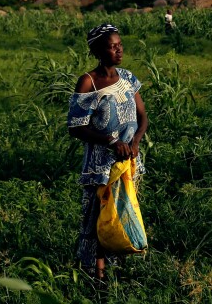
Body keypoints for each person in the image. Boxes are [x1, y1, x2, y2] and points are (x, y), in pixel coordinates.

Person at [67, 23, 149, 281]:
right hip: (101, 165)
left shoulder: (127, 77)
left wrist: (135, 142)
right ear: (98, 51)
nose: (118, 50)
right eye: (112, 47)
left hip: (127, 162)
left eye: (120, 45)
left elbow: (143, 116)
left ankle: (113, 267)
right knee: (99, 217)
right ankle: (96, 273)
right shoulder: (88, 82)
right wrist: (111, 142)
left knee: (121, 213)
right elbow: (75, 127)